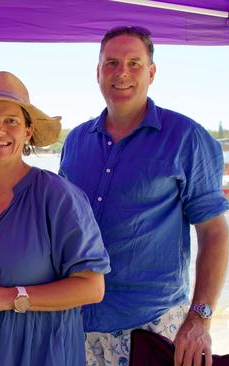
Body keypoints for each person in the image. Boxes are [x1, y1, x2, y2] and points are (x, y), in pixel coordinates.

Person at [59, 25, 229, 366]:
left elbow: (213, 233)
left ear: (151, 72)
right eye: (111, 63)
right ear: (97, 72)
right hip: (76, 325)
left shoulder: (187, 138)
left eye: (134, 63)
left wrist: (200, 318)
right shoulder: (75, 142)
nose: (122, 72)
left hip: (152, 326)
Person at [0, 71, 110, 365]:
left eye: (11, 121)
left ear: (27, 131)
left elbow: (92, 287)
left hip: (38, 353)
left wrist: (7, 297)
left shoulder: (58, 196)